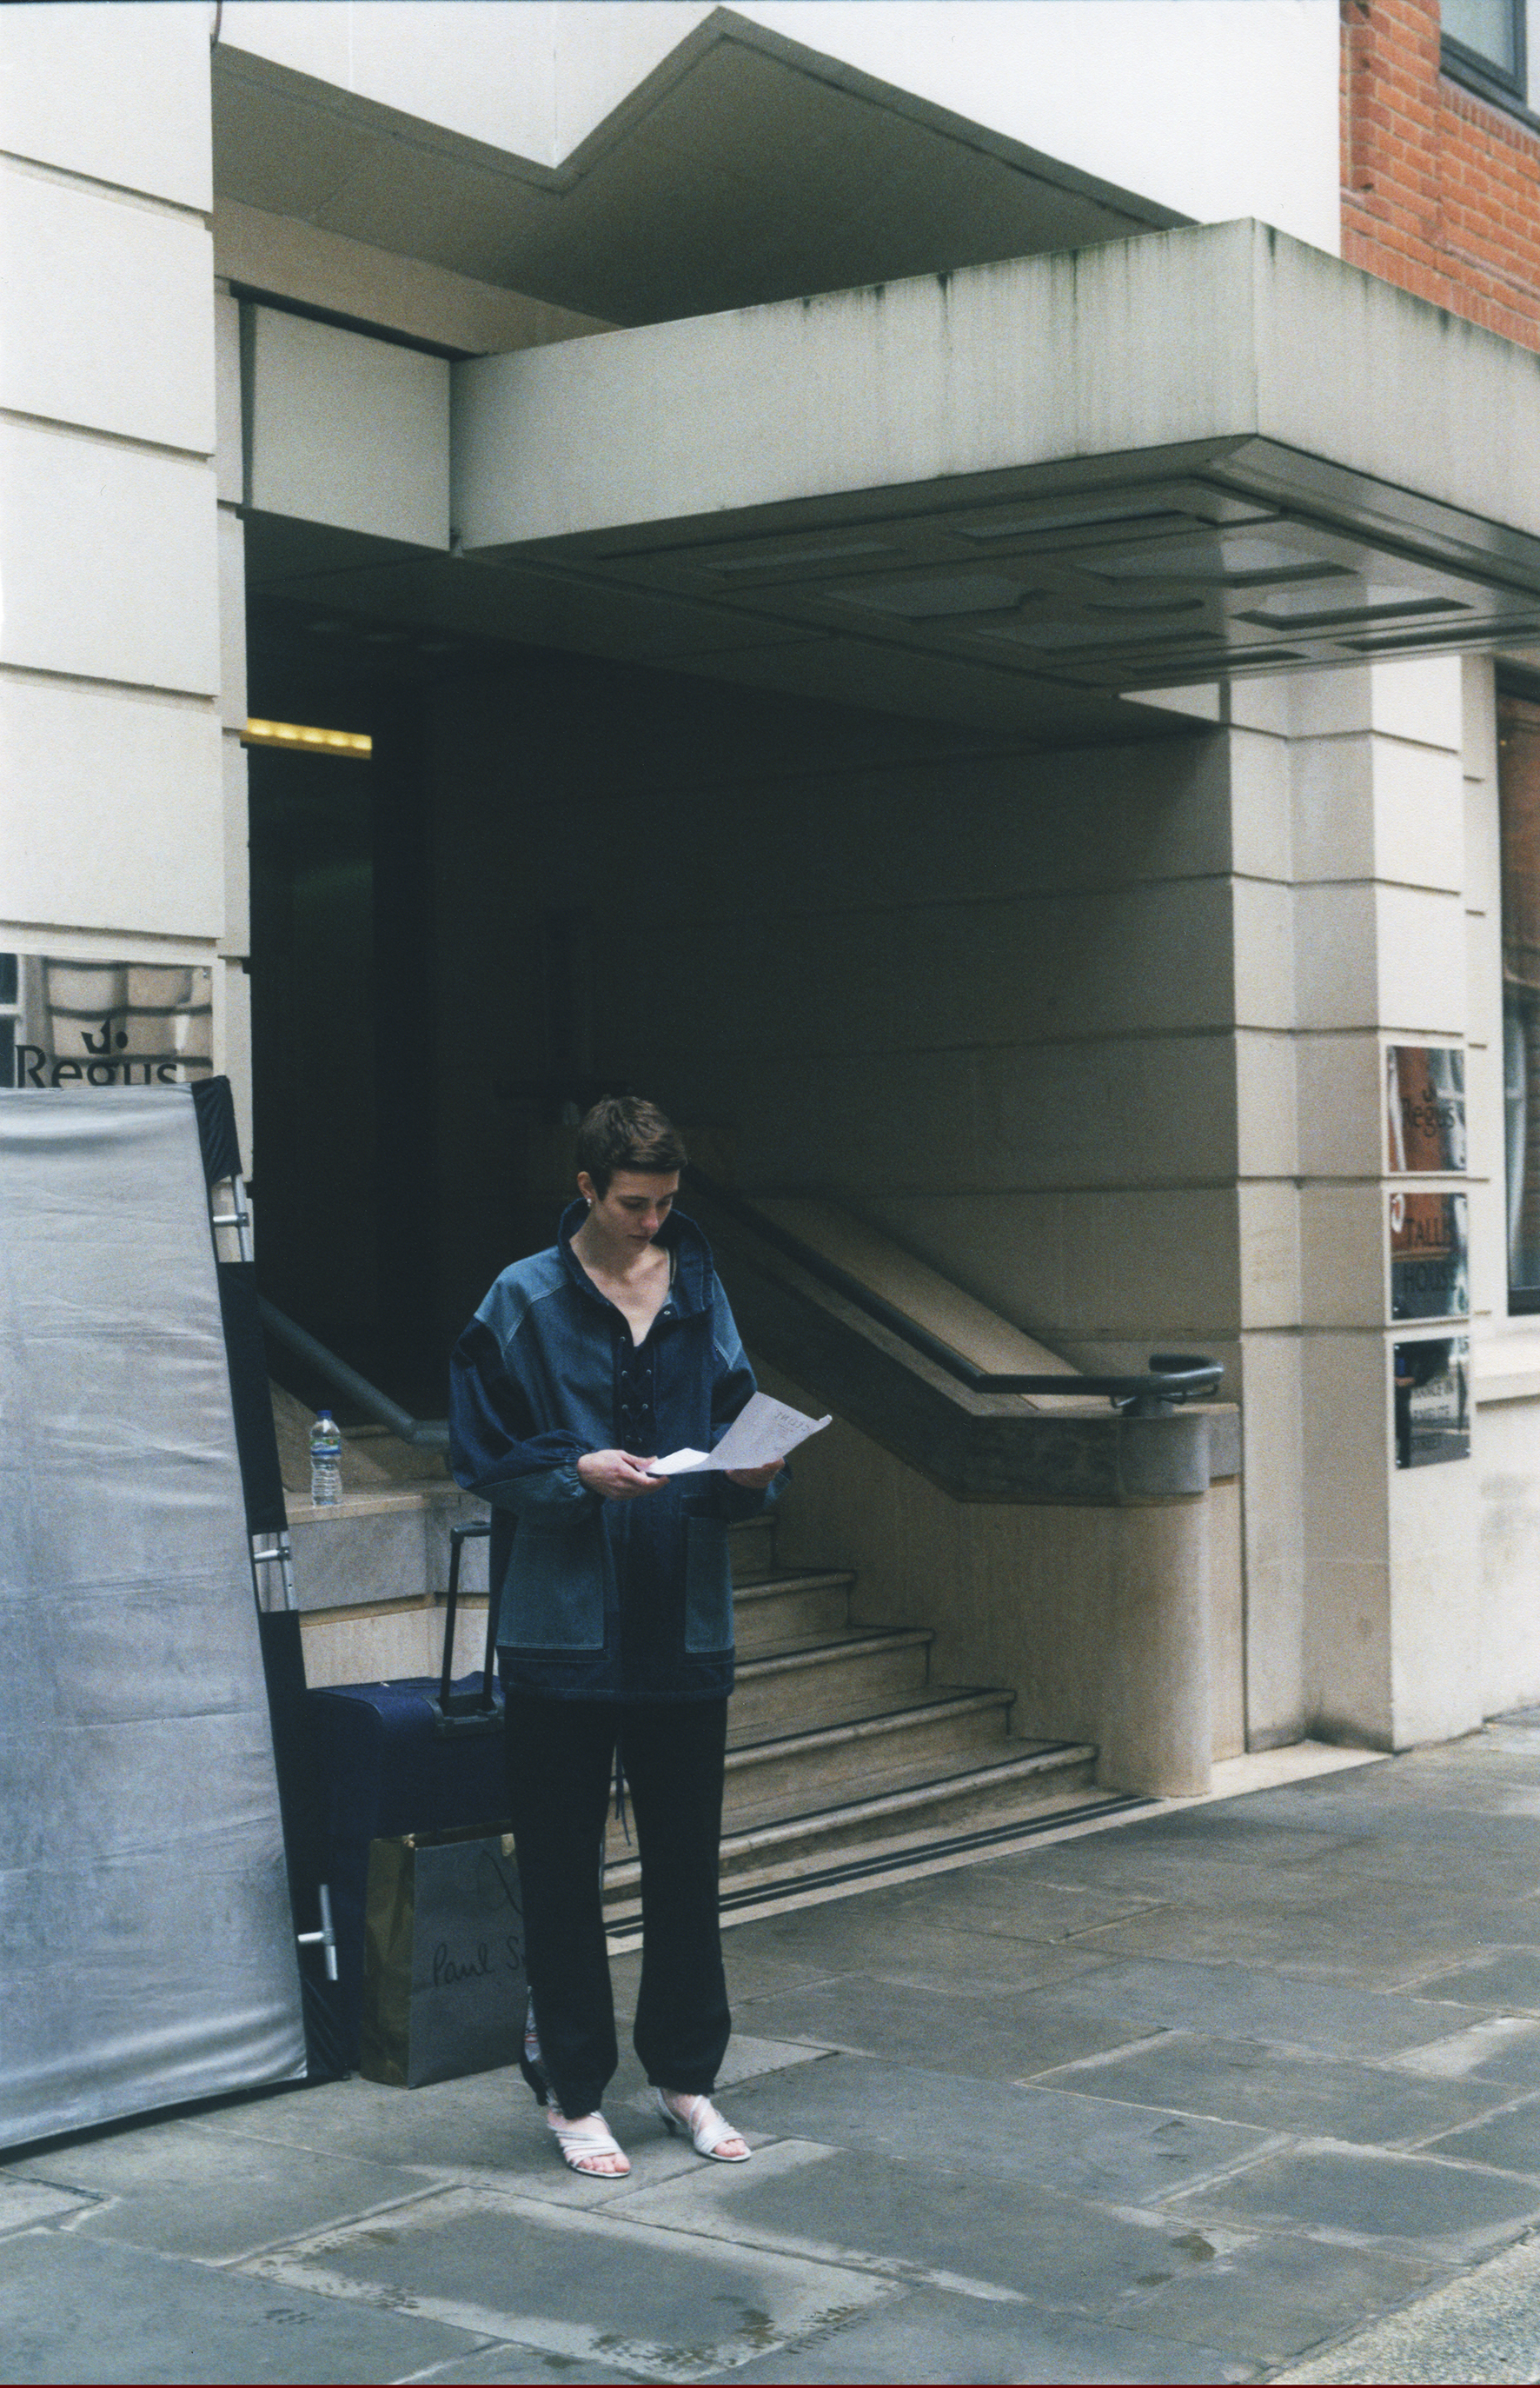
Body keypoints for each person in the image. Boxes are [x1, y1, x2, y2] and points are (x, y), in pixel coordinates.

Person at [448, 1096, 782, 2178]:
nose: (653, 1222)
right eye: (635, 1203)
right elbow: (478, 1448)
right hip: (562, 1631)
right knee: (559, 1869)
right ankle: (573, 2090)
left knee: (688, 1864)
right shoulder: (520, 1297)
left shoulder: (698, 1287)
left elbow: (735, 1412)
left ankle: (686, 2074)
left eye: (668, 1202)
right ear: (585, 1189)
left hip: (682, 1623)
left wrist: (750, 1470)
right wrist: (568, 1472)